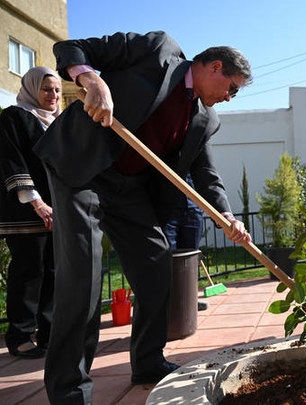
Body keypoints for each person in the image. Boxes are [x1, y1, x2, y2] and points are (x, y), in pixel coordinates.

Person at [33, 31, 252, 405]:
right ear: (215, 67)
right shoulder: (157, 50)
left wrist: (227, 215)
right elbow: (71, 48)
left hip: (128, 186)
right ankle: (70, 390)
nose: (230, 98)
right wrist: (92, 79)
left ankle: (148, 362)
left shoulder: (205, 118)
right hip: (83, 168)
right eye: (231, 87)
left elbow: (206, 174)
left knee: (156, 264)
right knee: (83, 274)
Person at [0, 67, 59, 359]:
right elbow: (13, 161)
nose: (53, 95)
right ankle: (20, 335)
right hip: (27, 210)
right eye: (47, 89)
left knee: (53, 270)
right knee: (28, 271)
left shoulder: (57, 123)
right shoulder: (14, 117)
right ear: (33, 88)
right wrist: (37, 203)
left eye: (58, 90)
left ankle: (48, 333)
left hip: (57, 210)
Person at [162, 173, 208, 311]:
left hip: (193, 210)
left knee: (191, 260)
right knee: (168, 258)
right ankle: (167, 304)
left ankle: (190, 300)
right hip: (168, 211)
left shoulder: (195, 152)